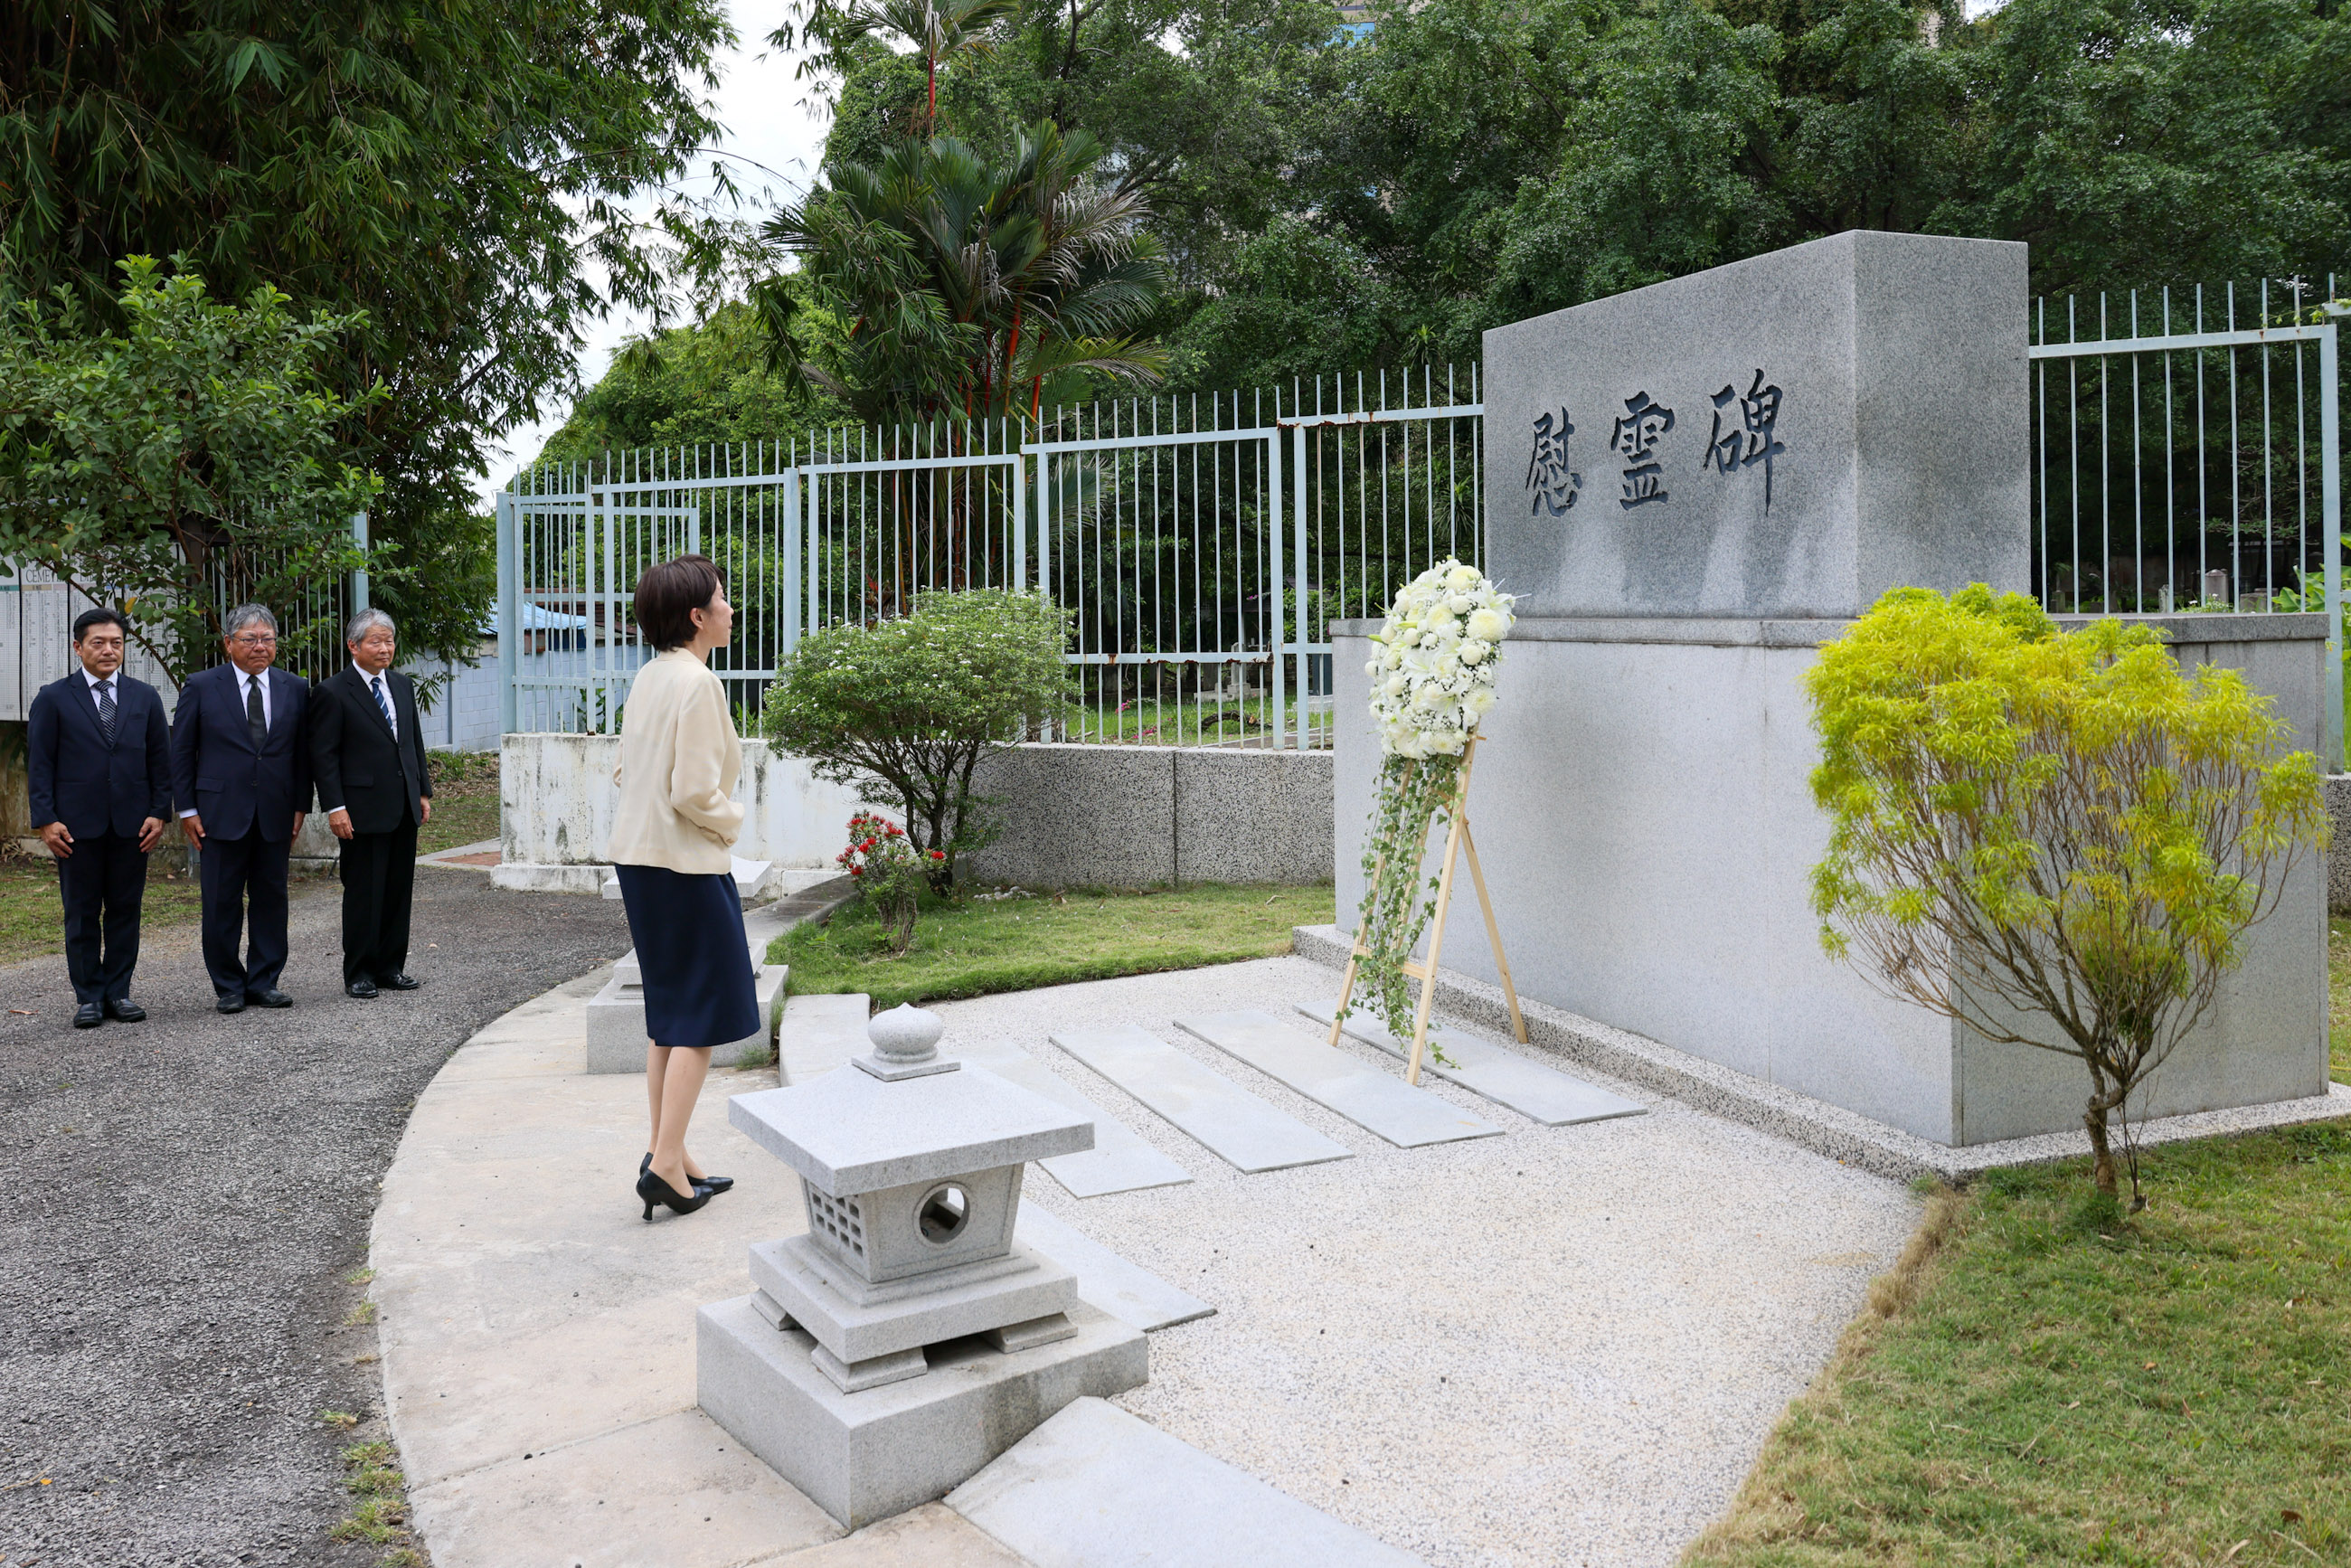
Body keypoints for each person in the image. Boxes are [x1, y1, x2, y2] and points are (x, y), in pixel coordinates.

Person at [607, 554, 754, 1222]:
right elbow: (694, 789)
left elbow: (623, 771)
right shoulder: (697, 683)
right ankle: (667, 1166)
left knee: (669, 1016)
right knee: (698, 1021)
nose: (730, 609)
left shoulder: (649, 678)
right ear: (697, 617)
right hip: (686, 867)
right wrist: (732, 823)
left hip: (640, 862)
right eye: (722, 601)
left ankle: (669, 1152)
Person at [27, 608, 173, 1029]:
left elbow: (160, 764)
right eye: (98, 643)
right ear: (78, 647)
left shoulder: (144, 697)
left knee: (126, 909)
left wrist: (157, 813)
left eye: (116, 643)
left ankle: (118, 992)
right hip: (75, 827)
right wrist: (46, 820)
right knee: (82, 911)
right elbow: (40, 764)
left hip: (133, 825)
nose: (109, 651)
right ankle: (89, 996)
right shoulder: (53, 697)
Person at [172, 604, 312, 1014]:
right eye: (249, 639)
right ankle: (229, 985)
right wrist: (187, 810)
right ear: (229, 643)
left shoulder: (294, 687)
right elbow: (181, 752)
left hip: (276, 810)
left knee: (272, 898)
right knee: (220, 902)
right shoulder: (200, 685)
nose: (259, 647)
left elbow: (302, 754)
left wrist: (301, 805)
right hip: (218, 812)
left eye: (267, 639)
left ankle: (265, 981)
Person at [309, 609, 433, 999]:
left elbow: (412, 742)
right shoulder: (332, 691)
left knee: (398, 890)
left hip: (402, 805)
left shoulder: (401, 685)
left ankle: (391, 967)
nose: (385, 649)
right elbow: (324, 757)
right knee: (364, 892)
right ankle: (359, 971)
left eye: (389, 641)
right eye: (376, 641)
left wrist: (422, 790)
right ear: (354, 645)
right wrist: (335, 807)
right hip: (360, 809)